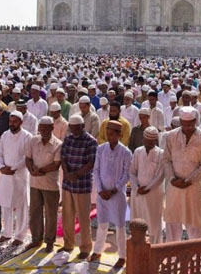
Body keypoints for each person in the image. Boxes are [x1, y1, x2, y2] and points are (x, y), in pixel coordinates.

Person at [163, 107, 201, 242]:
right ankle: (171, 258)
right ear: (180, 121)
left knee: (196, 224)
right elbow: (166, 159)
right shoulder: (171, 136)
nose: (187, 128)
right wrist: (173, 179)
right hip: (174, 187)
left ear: (195, 121)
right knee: (172, 224)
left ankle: (197, 259)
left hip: (194, 187)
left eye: (190, 125)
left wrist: (189, 180)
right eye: (184, 125)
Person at [89, 120, 131, 268]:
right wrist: (100, 190)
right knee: (102, 223)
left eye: (112, 133)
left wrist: (114, 190)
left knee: (120, 226)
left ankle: (122, 255)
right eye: (107, 132)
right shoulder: (100, 149)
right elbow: (96, 170)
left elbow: (127, 175)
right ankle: (97, 251)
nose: (109, 135)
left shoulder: (126, 152)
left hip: (117, 195)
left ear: (119, 135)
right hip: (102, 194)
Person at [59, 114, 98, 258]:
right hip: (68, 184)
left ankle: (85, 248)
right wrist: (67, 173)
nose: (74, 130)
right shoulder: (68, 139)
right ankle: (68, 245)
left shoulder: (91, 141)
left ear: (82, 126)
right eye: (72, 127)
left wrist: (76, 175)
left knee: (83, 218)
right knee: (67, 216)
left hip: (82, 185)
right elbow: (63, 158)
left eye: (77, 128)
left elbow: (91, 163)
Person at [25, 116, 62, 252]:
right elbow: (28, 158)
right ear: (39, 128)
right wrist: (31, 171)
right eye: (42, 128)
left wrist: (39, 170)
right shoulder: (33, 140)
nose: (44, 131)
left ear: (52, 128)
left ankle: (50, 241)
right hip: (35, 183)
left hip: (50, 185)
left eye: (47, 128)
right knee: (35, 212)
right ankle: (36, 239)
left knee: (51, 214)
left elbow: (56, 165)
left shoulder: (58, 144)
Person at [0, 111, 32, 246]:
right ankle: (7, 233)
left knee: (21, 206)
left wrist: (13, 168)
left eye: (15, 122)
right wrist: (1, 167)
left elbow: (27, 157)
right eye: (10, 121)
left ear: (21, 122)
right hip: (5, 174)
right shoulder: (5, 135)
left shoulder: (27, 136)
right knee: (6, 204)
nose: (12, 124)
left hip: (20, 175)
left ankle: (20, 236)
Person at [129, 126, 164, 244]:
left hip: (153, 194)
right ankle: (138, 246)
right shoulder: (138, 151)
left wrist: (147, 189)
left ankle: (155, 248)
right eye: (145, 140)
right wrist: (136, 187)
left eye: (150, 141)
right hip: (137, 193)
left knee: (154, 223)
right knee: (137, 221)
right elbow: (132, 172)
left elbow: (159, 176)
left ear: (155, 140)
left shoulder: (161, 154)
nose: (147, 143)